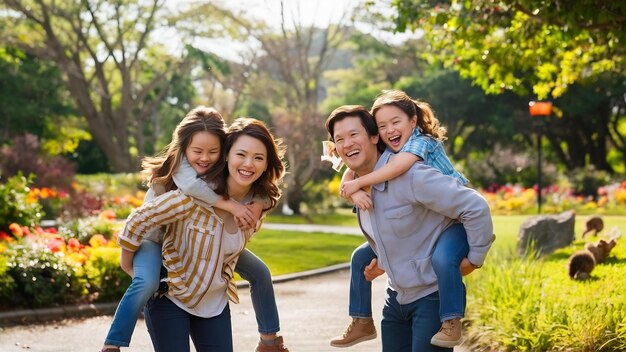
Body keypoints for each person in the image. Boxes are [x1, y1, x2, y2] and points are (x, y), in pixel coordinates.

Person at [100, 108, 288, 352]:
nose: (248, 163)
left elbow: (267, 193)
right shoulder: (190, 188)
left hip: (212, 295)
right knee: (145, 282)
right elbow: (139, 221)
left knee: (260, 272)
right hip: (163, 268)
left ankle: (270, 341)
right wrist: (128, 265)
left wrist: (259, 203)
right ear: (228, 155)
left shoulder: (253, 197)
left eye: (258, 158)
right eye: (241, 154)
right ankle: (112, 344)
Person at [325, 105, 494, 351]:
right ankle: (361, 321)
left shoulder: (410, 175)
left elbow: (476, 207)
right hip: (395, 301)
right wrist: (383, 259)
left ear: (374, 137)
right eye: (340, 139)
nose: (347, 143)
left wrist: (475, 259)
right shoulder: (357, 185)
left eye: (354, 135)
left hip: (432, 299)